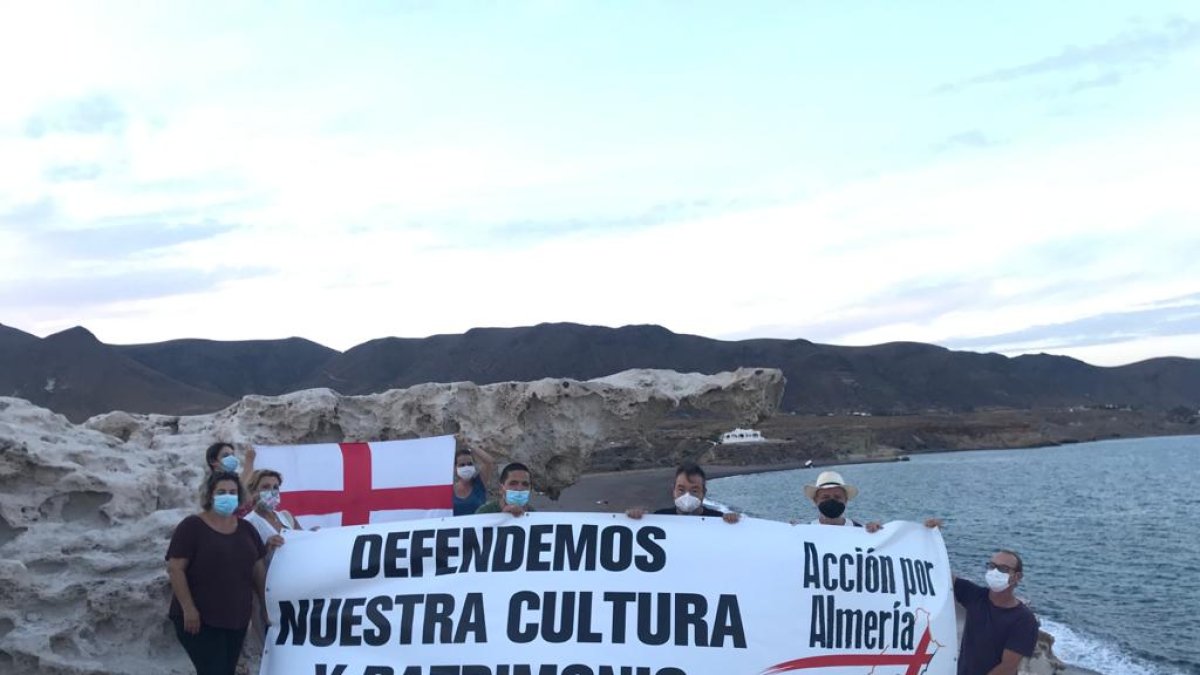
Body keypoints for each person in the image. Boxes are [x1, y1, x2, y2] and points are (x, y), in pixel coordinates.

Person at [166, 471, 281, 675]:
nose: (227, 496)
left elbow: (258, 570)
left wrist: (265, 606)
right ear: (210, 495)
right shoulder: (192, 526)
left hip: (236, 618)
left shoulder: (246, 529)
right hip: (200, 619)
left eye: (232, 492)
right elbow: (175, 569)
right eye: (221, 492)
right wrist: (188, 609)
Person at [238, 470, 300, 675]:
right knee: (273, 650)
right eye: (265, 487)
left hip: (293, 592)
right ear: (253, 491)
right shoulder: (248, 523)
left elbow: (304, 541)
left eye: (275, 487)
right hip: (265, 596)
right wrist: (266, 547)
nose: (271, 491)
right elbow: (246, 563)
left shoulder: (286, 517)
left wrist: (314, 536)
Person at [954, 550, 1039, 675]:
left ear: (1017, 577)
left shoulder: (1024, 620)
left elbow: (1007, 668)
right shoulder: (975, 596)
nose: (995, 572)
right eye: (992, 566)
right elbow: (941, 575)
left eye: (1003, 569)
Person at [626, 462, 740, 524]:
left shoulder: (718, 520)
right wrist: (633, 519)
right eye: (681, 489)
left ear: (704, 493)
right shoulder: (659, 517)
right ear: (673, 490)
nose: (687, 495)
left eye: (694, 490)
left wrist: (735, 522)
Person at [802, 470, 882, 531]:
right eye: (825, 497)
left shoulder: (859, 530)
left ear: (846, 500)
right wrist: (791, 531)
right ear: (815, 500)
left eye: (837, 497)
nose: (832, 501)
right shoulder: (805, 531)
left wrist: (878, 532)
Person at [452, 446, 496, 516]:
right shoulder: (449, 490)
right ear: (455, 468)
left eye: (470, 464)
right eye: (462, 465)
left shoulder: (479, 484)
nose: (466, 467)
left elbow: (489, 462)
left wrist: (470, 445)